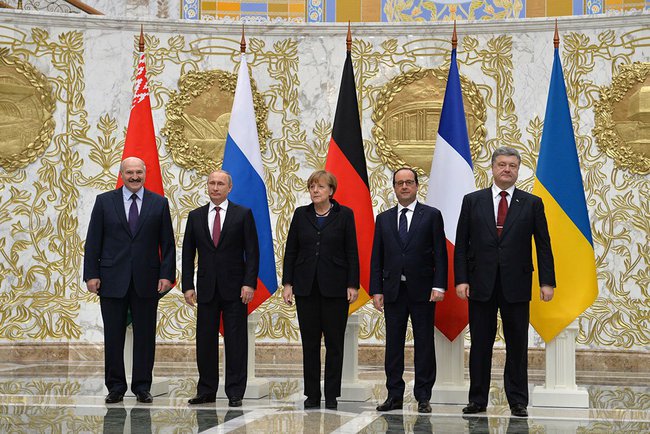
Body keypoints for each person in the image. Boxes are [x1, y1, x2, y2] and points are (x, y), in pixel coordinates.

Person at [455, 146, 555, 418]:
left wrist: (547, 281)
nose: (507, 169)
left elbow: (543, 245)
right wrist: (461, 279)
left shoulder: (532, 203)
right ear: (493, 168)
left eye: (512, 165)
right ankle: (477, 400)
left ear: (518, 169)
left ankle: (518, 401)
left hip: (517, 284)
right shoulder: (472, 201)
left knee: (517, 345)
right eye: (502, 164)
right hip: (480, 284)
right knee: (480, 345)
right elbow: (461, 244)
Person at [84, 156, 175, 404]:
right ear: (121, 175)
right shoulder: (104, 202)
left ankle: (142, 386)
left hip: (147, 280)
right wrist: (91, 274)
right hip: (111, 280)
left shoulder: (159, 203)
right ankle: (115, 387)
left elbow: (167, 244)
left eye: (138, 172)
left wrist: (167, 275)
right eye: (129, 172)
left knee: (145, 336)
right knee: (113, 336)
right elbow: (93, 241)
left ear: (145, 174)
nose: (134, 177)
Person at [370, 167, 447, 414]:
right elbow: (377, 257)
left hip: (423, 291)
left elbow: (440, 254)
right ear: (394, 187)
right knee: (393, 345)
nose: (404, 186)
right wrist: (376, 290)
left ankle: (423, 396)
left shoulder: (431, 215)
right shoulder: (383, 218)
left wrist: (439, 285)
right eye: (400, 183)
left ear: (416, 186)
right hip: (393, 290)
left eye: (409, 182)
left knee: (424, 343)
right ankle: (394, 395)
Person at [282, 170, 360, 410]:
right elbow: (291, 251)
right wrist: (288, 284)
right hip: (306, 288)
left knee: (335, 344)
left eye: (320, 187)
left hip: (335, 288)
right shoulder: (301, 214)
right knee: (310, 344)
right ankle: (312, 395)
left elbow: (351, 251)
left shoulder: (344, 215)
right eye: (312, 187)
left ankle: (332, 395)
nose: (315, 191)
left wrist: (352, 284)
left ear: (331, 191)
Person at [181, 170, 259, 408]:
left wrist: (249, 283)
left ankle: (235, 391)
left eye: (220, 184)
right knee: (205, 341)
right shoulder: (195, 216)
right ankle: (206, 390)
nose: (215, 188)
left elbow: (252, 252)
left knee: (236, 341)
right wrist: (187, 286)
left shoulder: (242, 214)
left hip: (236, 289)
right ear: (207, 186)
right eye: (212, 183)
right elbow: (187, 254)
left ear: (229, 188)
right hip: (206, 288)